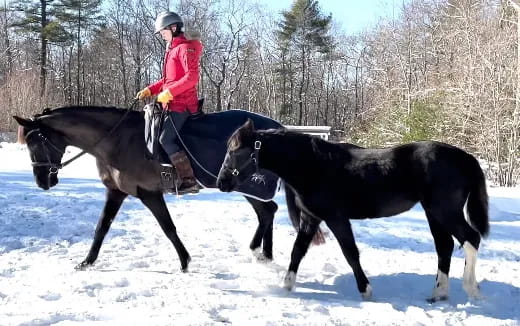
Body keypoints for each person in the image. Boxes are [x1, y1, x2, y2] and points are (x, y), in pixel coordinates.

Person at [136, 11, 203, 194]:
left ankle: (189, 181)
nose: (162, 35)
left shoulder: (185, 48)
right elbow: (168, 81)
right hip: (171, 103)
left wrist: (169, 93)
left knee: (166, 139)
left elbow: (192, 77)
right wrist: (150, 90)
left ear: (174, 28)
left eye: (163, 31)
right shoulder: (172, 49)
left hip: (183, 105)